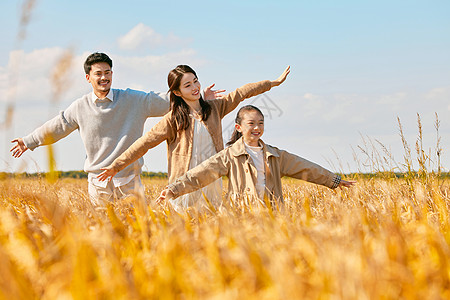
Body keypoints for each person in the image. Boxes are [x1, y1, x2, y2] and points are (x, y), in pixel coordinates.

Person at [10, 52, 223, 205]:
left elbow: (166, 99)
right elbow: (58, 125)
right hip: (98, 182)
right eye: (99, 73)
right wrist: (29, 141)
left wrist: (199, 96)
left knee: (137, 234)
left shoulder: (132, 99)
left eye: (108, 72)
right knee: (102, 236)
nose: (104, 77)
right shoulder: (80, 107)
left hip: (130, 180)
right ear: (88, 77)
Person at [97, 65, 290, 210]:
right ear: (177, 92)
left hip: (210, 180)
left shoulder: (214, 108)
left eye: (196, 81)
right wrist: (116, 166)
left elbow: (241, 93)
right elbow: (145, 142)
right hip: (183, 183)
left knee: (210, 227)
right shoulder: (173, 119)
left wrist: (272, 83)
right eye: (188, 85)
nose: (195, 87)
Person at [158, 105, 355, 209]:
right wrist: (174, 190)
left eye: (260, 123)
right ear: (239, 127)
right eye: (251, 123)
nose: (257, 128)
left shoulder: (276, 156)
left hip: (272, 215)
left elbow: (306, 168)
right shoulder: (229, 156)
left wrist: (334, 180)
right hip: (241, 216)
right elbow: (200, 174)